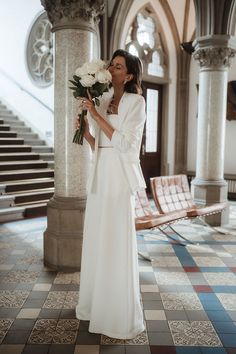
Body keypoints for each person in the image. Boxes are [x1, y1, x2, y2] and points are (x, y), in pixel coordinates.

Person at [75, 49, 146, 339]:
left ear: (128, 75)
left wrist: (94, 115)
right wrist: (84, 128)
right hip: (100, 172)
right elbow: (98, 144)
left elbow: (127, 145)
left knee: (115, 241)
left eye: (118, 66)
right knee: (97, 238)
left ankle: (118, 314)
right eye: (111, 65)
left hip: (119, 176)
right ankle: (95, 306)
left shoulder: (136, 102)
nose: (112, 69)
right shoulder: (102, 100)